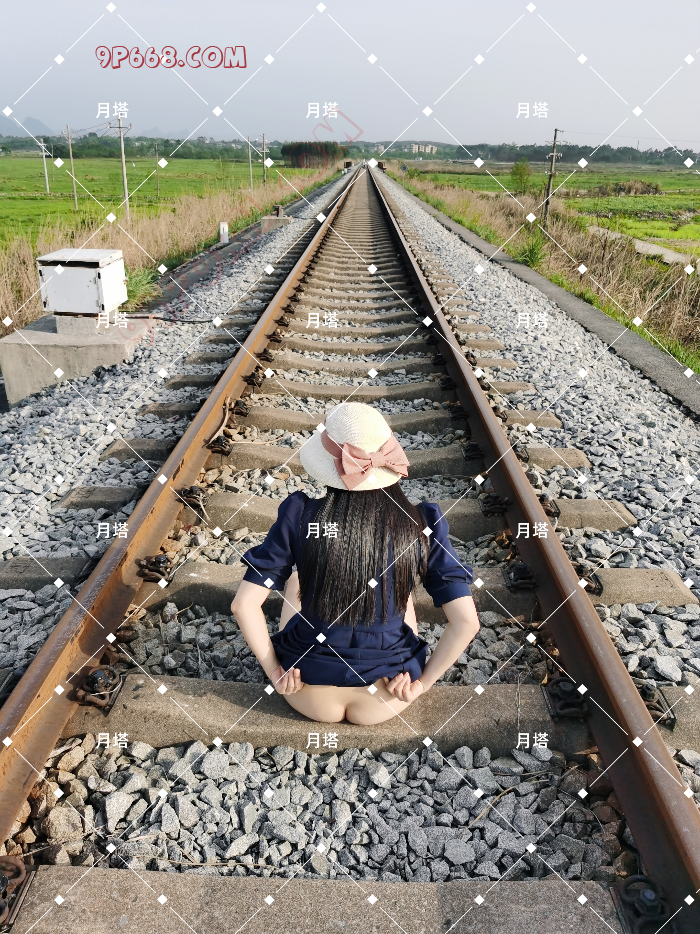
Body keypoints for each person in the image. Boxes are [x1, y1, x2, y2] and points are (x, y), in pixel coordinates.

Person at [231, 402, 480, 725]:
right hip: (387, 694)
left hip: (308, 690)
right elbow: (466, 622)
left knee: (295, 581)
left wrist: (276, 674)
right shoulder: (421, 522)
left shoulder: (300, 516)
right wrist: (421, 685)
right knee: (399, 592)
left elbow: (243, 606)